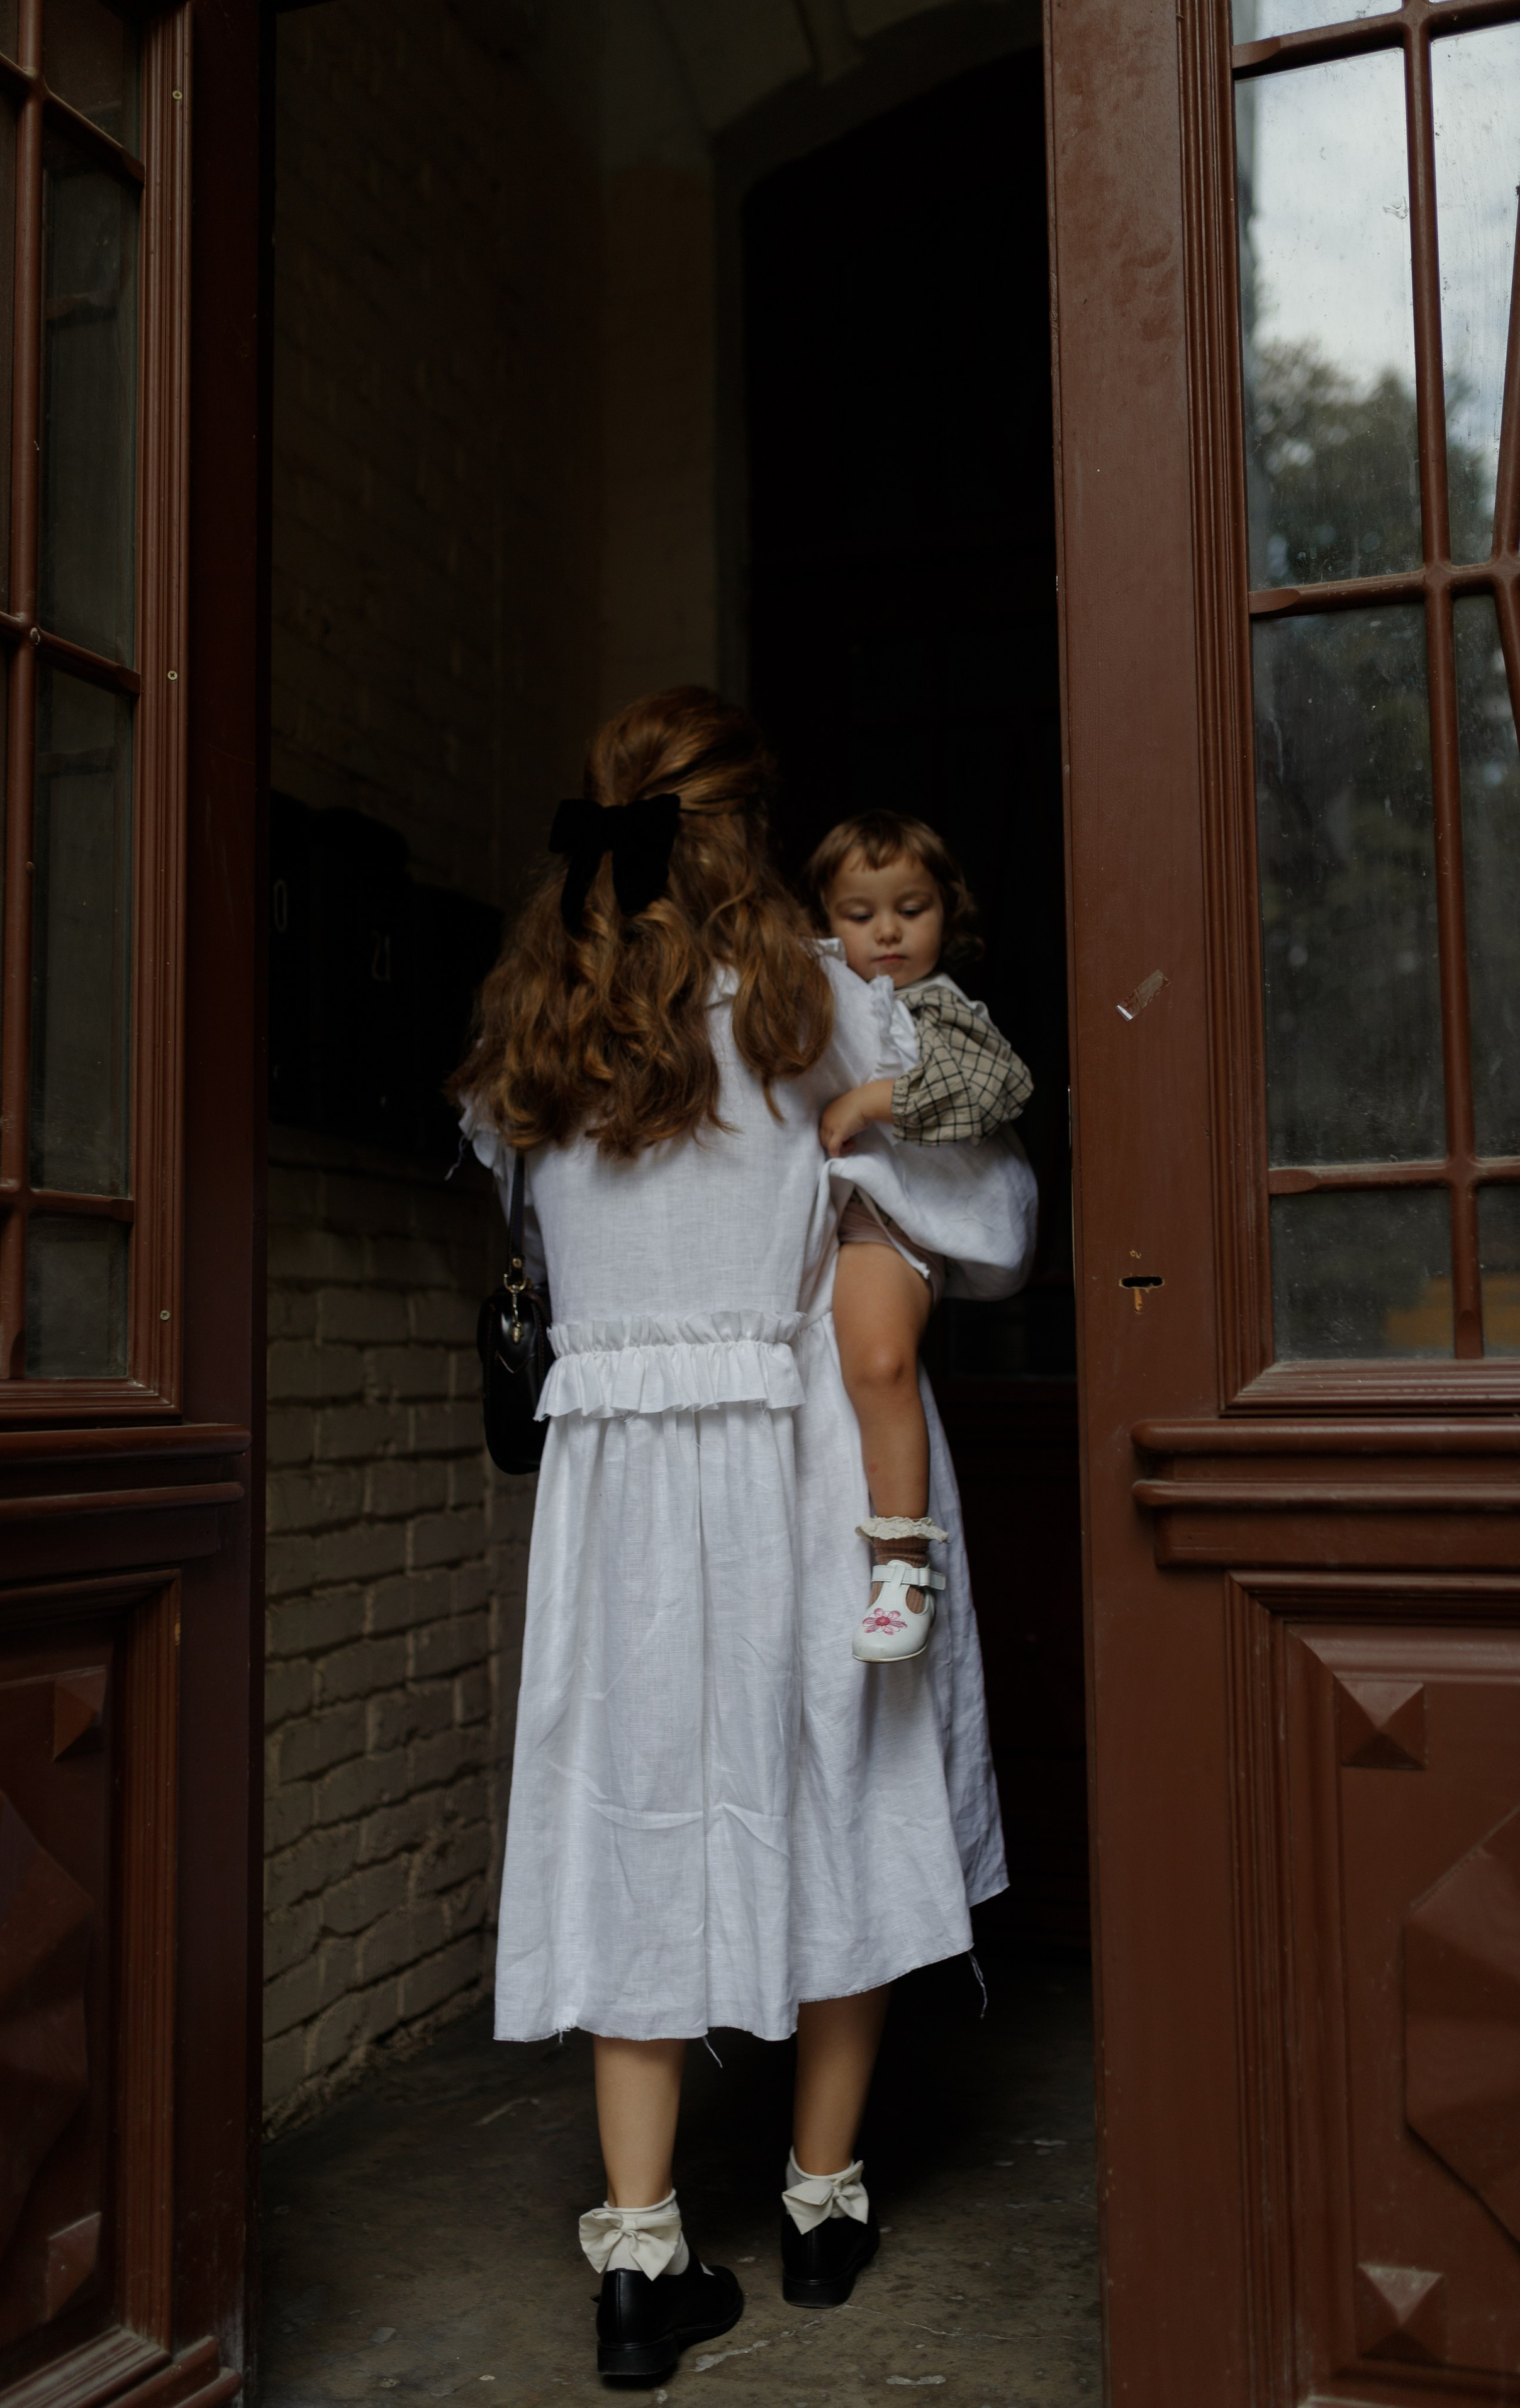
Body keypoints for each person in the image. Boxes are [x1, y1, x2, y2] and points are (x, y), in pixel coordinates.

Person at [454, 690, 1035, 2384]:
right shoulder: (825, 1006)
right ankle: (822, 2195)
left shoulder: (534, 1035)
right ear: (749, 832)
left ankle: (641, 2258)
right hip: (786, 1466)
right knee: (836, 1798)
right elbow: (987, 1221)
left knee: (634, 1814)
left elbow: (542, 1252)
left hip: (615, 1497)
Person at [803, 814, 1034, 1664]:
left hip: (892, 1221)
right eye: (860, 914)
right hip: (816, 1222)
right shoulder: (813, 994)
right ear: (824, 921)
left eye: (912, 907)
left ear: (949, 913)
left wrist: (868, 1104)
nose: (889, 931)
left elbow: (998, 1084)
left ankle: (902, 1568)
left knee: (879, 1363)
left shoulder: (937, 1008)